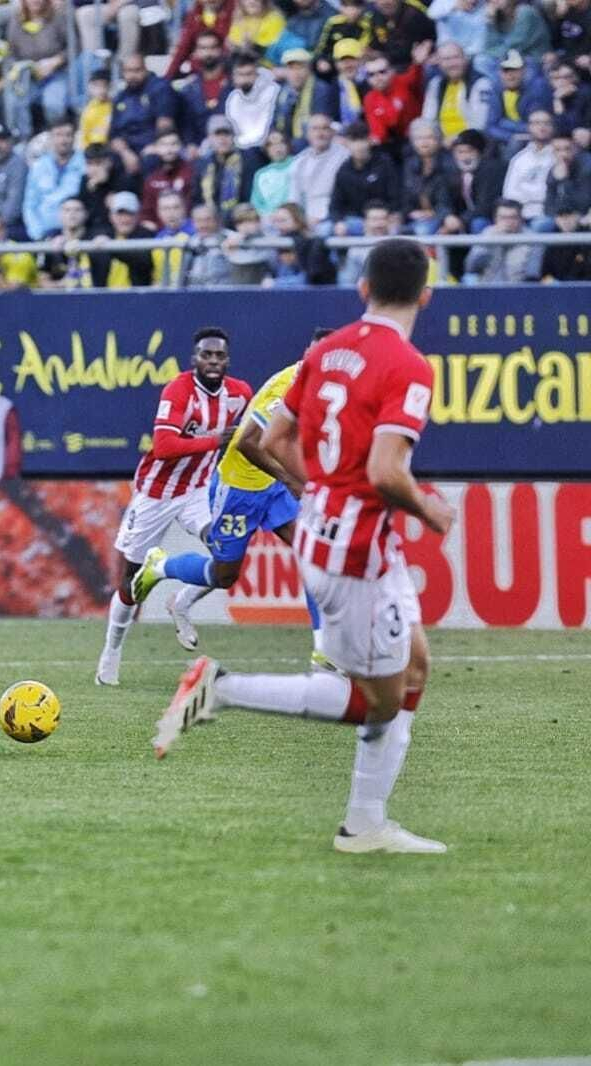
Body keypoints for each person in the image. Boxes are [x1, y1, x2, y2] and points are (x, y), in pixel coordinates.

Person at [152, 238, 455, 857]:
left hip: (338, 534)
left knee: (415, 668)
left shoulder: (326, 352)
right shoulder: (408, 366)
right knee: (374, 704)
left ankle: (366, 824)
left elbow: (269, 437)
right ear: (426, 295)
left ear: (363, 289)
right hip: (354, 552)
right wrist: (430, 509)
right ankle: (220, 688)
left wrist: (319, 487)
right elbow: (386, 471)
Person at [131, 326, 334, 653]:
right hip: (239, 488)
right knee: (225, 576)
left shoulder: (325, 385)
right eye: (317, 355)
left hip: (273, 486)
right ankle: (161, 567)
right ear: (307, 354)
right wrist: (292, 480)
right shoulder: (286, 387)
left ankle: (324, 652)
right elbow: (246, 443)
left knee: (314, 554)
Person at [95, 327, 252, 686]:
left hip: (199, 491)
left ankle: (182, 603)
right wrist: (215, 441)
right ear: (194, 358)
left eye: (219, 355)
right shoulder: (179, 390)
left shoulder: (240, 394)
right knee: (132, 580)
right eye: (206, 355)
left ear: (228, 360)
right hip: (156, 493)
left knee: (228, 554)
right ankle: (111, 653)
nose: (213, 361)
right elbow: (164, 446)